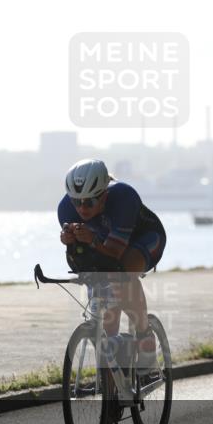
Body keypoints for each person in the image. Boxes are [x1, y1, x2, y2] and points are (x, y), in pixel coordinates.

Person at [57, 158, 166, 376]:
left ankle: (145, 337)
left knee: (121, 273)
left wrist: (93, 240)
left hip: (144, 239)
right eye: (76, 201)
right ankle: (111, 389)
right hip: (106, 243)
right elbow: (84, 260)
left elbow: (114, 255)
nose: (82, 208)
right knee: (105, 318)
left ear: (104, 194)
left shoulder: (124, 197)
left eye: (89, 202)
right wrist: (70, 244)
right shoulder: (65, 208)